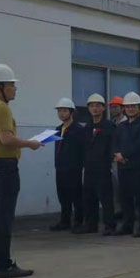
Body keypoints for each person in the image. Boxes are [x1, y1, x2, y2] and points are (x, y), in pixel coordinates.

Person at [0, 64, 41, 278]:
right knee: (2, 219)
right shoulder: (1, 108)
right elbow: (6, 139)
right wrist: (30, 143)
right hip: (3, 168)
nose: (15, 88)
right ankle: (4, 265)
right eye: (11, 84)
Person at [113, 92, 140, 237]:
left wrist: (125, 155)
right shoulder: (121, 126)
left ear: (139, 107)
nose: (130, 109)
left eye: (133, 106)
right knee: (125, 198)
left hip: (139, 167)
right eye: (127, 106)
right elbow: (114, 143)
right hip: (123, 167)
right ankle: (127, 226)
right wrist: (117, 154)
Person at [75, 93, 115, 236]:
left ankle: (110, 225)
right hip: (89, 168)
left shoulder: (109, 126)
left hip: (103, 167)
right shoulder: (87, 127)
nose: (95, 108)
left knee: (106, 198)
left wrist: (110, 161)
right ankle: (91, 225)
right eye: (92, 106)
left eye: (98, 106)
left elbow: (112, 146)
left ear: (103, 108)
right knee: (89, 197)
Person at [50, 98, 86, 232]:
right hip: (60, 167)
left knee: (76, 196)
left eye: (64, 111)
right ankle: (64, 221)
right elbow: (43, 140)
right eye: (59, 111)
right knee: (63, 195)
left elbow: (82, 149)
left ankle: (78, 221)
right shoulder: (58, 129)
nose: (61, 114)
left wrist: (81, 165)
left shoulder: (78, 129)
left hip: (74, 168)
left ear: (71, 112)